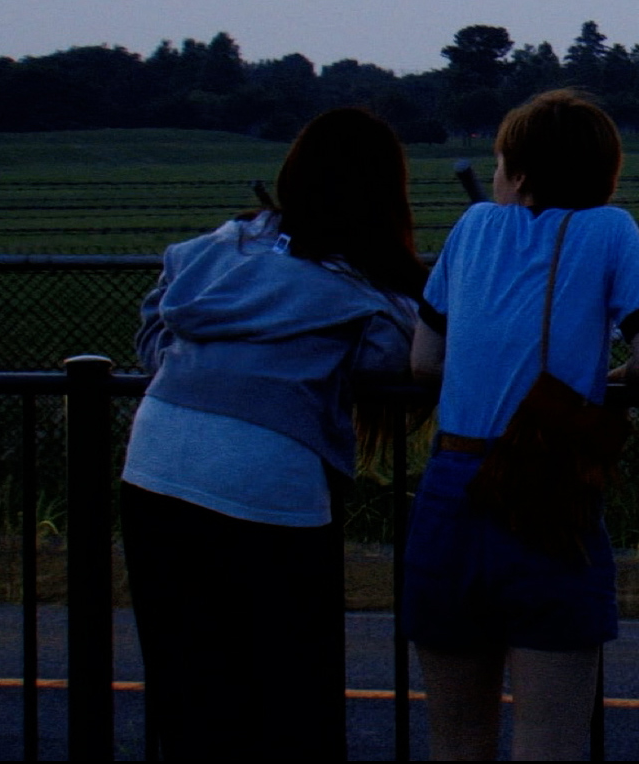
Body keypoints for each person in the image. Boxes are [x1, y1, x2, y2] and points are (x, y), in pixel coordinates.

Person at [120, 107, 427, 759]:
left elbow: (156, 325)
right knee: (291, 691)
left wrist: (206, 361)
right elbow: (391, 357)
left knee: (189, 688)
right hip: (267, 476)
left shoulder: (221, 247)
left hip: (155, 456)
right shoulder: (355, 282)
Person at [406, 89, 639, 760]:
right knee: (550, 736)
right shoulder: (610, 230)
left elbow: (424, 361)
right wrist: (597, 384)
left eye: (500, 163)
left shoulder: (471, 227)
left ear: (520, 174)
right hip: (546, 485)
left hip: (451, 486)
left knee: (455, 737)